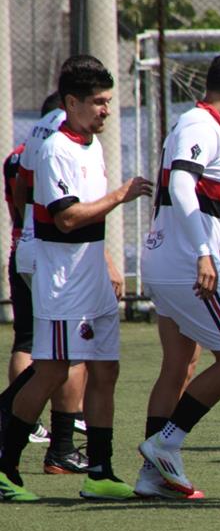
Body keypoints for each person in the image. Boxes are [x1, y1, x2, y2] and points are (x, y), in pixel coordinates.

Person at [0, 56, 153, 502]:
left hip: (91, 279)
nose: (106, 110)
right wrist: (121, 195)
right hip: (63, 282)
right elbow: (66, 218)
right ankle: (5, 468)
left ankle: (101, 471)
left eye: (108, 101)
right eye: (98, 102)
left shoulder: (90, 144)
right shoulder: (55, 150)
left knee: (106, 370)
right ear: (72, 102)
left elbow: (88, 219)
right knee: (51, 371)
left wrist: (105, 258)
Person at [135, 54, 220, 500]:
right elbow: (182, 185)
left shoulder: (195, 124)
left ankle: (151, 477)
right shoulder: (202, 126)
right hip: (188, 265)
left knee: (179, 363)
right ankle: (167, 443)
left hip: (162, 261)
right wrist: (205, 254)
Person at [2, 90, 90, 472]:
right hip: (53, 257)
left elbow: (20, 200)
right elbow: (69, 215)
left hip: (22, 248)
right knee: (68, 354)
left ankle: (40, 431)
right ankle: (59, 443)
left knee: (32, 344)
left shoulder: (19, 154)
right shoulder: (62, 150)